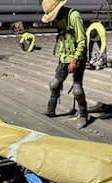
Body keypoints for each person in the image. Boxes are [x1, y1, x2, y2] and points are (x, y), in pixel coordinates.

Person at [41, 0, 88, 129]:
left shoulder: (74, 16)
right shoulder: (57, 19)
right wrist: (62, 57)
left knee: (77, 90)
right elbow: (64, 39)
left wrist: (75, 60)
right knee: (54, 84)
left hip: (78, 58)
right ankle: (51, 109)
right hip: (64, 57)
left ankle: (83, 115)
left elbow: (82, 41)